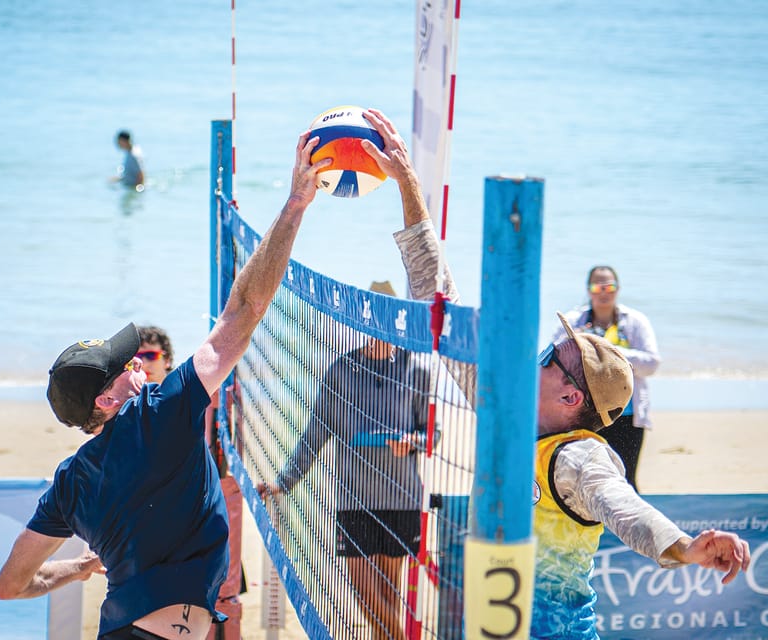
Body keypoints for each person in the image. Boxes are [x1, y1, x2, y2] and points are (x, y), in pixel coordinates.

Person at [358, 108, 751, 639]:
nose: (538, 356)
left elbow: (625, 508)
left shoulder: (579, 456)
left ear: (570, 395)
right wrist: (408, 185)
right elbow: (435, 296)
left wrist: (684, 546)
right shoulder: (507, 409)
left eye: (549, 357)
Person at [0, 132, 332, 640]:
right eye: (121, 365)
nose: (134, 361)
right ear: (106, 400)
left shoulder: (70, 481)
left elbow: (11, 585)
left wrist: (81, 570)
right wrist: (295, 204)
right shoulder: (160, 410)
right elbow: (244, 312)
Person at [256, 280, 435, 640]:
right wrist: (284, 481)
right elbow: (316, 432)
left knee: (388, 597)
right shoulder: (343, 370)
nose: (380, 328)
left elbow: (433, 434)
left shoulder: (416, 371)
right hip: (354, 500)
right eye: (374, 318)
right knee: (365, 594)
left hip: (400, 500)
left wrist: (412, 441)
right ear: (364, 321)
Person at [551, 265, 660, 491]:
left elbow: (651, 363)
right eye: (597, 286)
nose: (603, 292)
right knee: (587, 480)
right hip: (586, 414)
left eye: (609, 286)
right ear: (589, 290)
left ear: (618, 289)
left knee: (627, 481)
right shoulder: (573, 321)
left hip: (627, 416)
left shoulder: (635, 321)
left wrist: (606, 351)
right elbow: (554, 358)